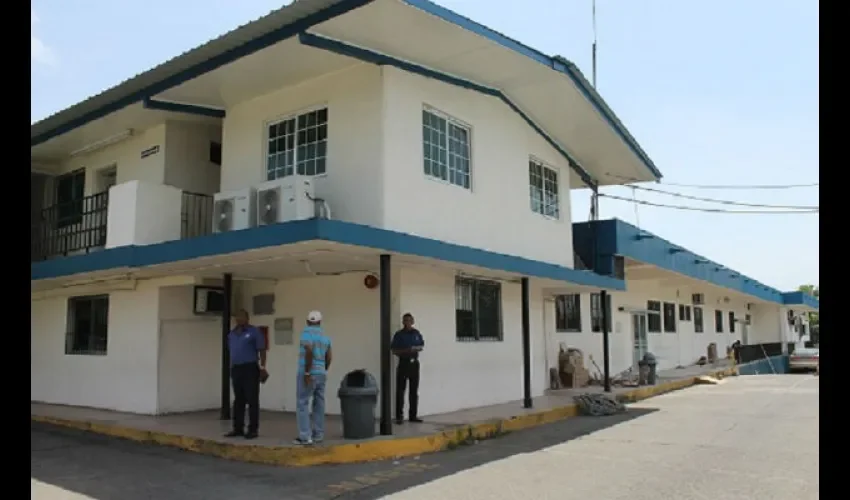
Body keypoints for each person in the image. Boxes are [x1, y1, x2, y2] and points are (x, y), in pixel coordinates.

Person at [225, 309, 266, 440]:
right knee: (238, 399)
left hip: (250, 367)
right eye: (237, 317)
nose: (239, 319)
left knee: (252, 399)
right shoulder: (231, 334)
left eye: (242, 317)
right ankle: (238, 428)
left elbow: (262, 350)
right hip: (236, 368)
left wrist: (262, 367)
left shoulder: (254, 332)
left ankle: (253, 429)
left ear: (247, 318)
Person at [294, 310, 333, 445]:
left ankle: (305, 436)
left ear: (307, 322)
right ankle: (318, 434)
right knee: (319, 404)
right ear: (320, 322)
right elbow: (329, 357)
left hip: (308, 373)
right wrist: (323, 369)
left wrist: (307, 372)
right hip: (321, 373)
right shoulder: (325, 337)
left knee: (303, 403)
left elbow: (309, 350)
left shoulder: (306, 333)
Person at [391, 313, 425, 424]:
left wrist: (415, 349)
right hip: (403, 363)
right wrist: (407, 350)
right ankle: (399, 417)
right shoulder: (399, 335)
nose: (407, 323)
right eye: (405, 320)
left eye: (409, 320)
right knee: (401, 391)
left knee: (414, 391)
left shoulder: (416, 333)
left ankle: (413, 415)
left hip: (414, 364)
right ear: (403, 322)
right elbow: (394, 350)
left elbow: (421, 346)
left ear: (413, 321)